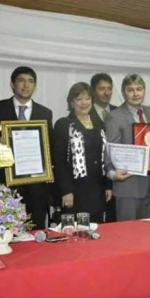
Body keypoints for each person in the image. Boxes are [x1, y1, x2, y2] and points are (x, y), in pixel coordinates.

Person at [0, 66, 53, 229]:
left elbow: (49, 146)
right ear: (12, 84)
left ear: (35, 86)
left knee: (36, 231)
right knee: (3, 231)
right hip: (4, 181)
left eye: (31, 81)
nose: (26, 85)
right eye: (21, 81)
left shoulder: (45, 113)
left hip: (36, 184)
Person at [53, 82, 111, 223]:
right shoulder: (64, 124)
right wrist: (66, 191)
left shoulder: (100, 124)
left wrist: (108, 185)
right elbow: (59, 162)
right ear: (71, 103)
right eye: (79, 99)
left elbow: (107, 156)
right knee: (75, 232)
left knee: (97, 230)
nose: (84, 103)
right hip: (75, 189)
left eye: (87, 98)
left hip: (97, 187)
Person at [105, 74, 150, 221]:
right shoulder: (114, 116)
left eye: (139, 89)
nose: (135, 94)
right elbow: (109, 149)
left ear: (144, 91)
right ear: (123, 92)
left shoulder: (149, 113)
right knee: (129, 235)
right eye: (130, 90)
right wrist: (111, 174)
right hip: (128, 186)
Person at [89, 73, 117, 223]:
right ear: (93, 91)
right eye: (101, 89)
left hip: (116, 176)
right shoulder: (84, 113)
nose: (106, 93)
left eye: (109, 89)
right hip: (95, 177)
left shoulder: (120, 111)